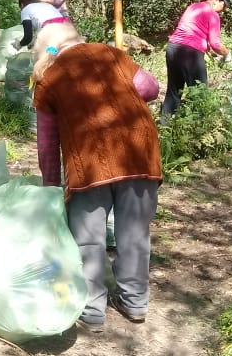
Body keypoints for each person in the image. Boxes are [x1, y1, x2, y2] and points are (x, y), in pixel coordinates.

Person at [32, 24, 162, 334]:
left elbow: (47, 143)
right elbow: (151, 88)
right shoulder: (113, 54)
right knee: (134, 232)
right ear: (77, 39)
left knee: (89, 238)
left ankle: (91, 309)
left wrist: (51, 186)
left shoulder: (47, 78)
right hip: (139, 151)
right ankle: (134, 303)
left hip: (89, 161)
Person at [160, 0, 232, 118]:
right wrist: (226, 53)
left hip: (173, 48)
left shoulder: (193, 7)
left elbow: (192, 32)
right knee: (200, 93)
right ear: (217, 0)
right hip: (190, 54)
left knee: (174, 90)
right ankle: (198, 129)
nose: (224, 10)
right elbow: (215, 43)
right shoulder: (213, 14)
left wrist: (208, 50)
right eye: (224, 5)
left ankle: (165, 126)